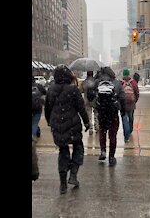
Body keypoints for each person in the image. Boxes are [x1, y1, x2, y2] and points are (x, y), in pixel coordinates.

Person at [45, 65, 91, 194]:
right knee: (78, 147)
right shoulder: (73, 89)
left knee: (63, 151)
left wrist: (50, 122)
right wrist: (86, 122)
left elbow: (47, 108)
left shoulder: (51, 89)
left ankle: (63, 184)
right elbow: (81, 108)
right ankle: (73, 174)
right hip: (73, 124)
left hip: (57, 125)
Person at [94, 66, 125, 166]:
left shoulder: (98, 82)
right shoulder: (117, 83)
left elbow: (92, 95)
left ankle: (103, 151)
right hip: (113, 112)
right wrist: (121, 108)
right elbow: (123, 97)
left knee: (102, 133)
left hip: (102, 112)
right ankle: (111, 156)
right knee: (112, 135)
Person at [121, 68, 139, 142]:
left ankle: (126, 136)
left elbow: (118, 93)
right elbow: (137, 93)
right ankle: (130, 129)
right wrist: (134, 101)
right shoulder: (133, 82)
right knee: (131, 118)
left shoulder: (120, 83)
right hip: (131, 104)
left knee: (124, 120)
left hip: (123, 105)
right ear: (128, 74)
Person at [81, 71, 99, 135]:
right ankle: (97, 127)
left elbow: (81, 90)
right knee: (96, 114)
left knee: (89, 115)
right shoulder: (95, 82)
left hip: (87, 101)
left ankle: (90, 129)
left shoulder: (84, 82)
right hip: (95, 100)